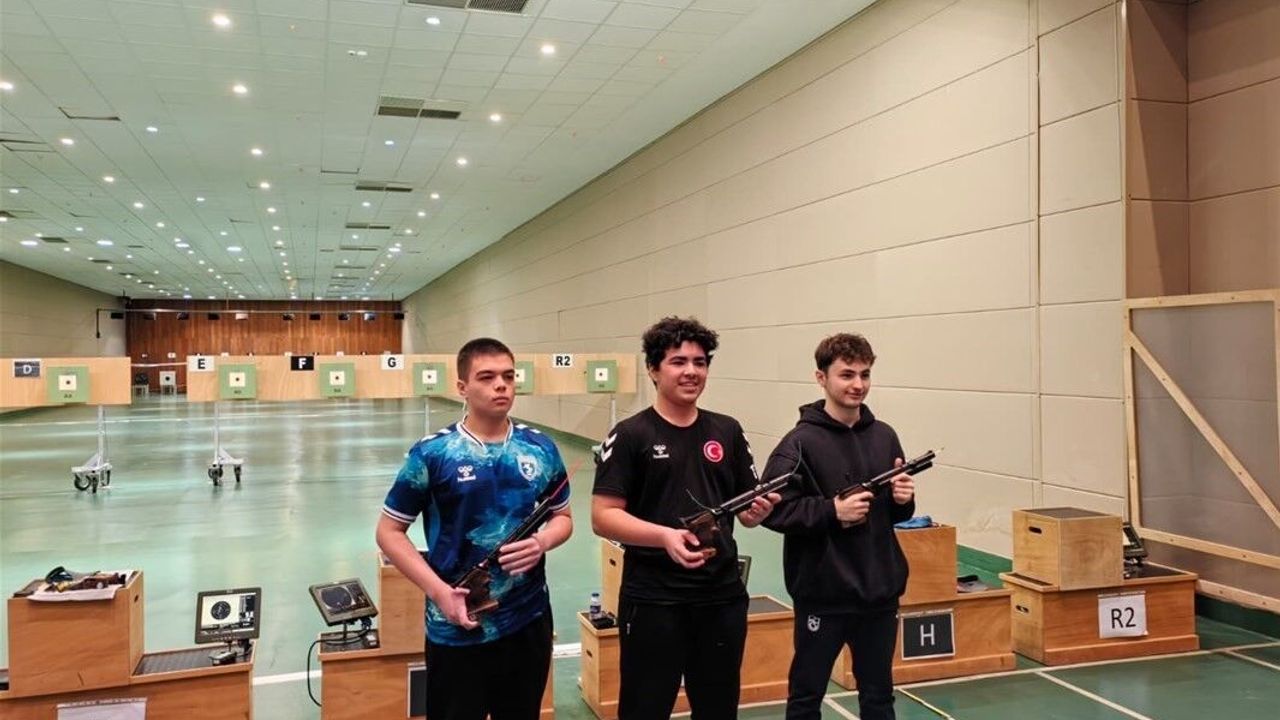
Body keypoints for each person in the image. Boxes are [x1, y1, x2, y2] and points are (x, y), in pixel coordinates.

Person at [592, 316, 780, 720]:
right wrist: (665, 537)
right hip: (654, 599)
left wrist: (756, 511)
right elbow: (603, 517)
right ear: (653, 369)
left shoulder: (728, 430)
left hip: (721, 596)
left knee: (718, 709)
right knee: (645, 708)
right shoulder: (629, 435)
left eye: (700, 362)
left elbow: (746, 511)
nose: (691, 371)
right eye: (678, 362)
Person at [376, 337, 572, 720]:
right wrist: (440, 593)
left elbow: (563, 517)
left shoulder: (540, 448)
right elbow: (389, 532)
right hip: (455, 624)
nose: (501, 385)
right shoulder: (432, 454)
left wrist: (542, 542)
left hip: (527, 619)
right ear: (462, 387)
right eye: (487, 377)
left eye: (508, 376)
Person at [760, 332, 916, 720]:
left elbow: (893, 515)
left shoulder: (885, 436)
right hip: (823, 594)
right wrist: (832, 511)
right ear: (821, 378)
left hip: (879, 594)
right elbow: (774, 511)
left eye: (865, 374)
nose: (857, 384)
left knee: (879, 697)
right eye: (847, 374)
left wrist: (903, 500)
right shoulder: (798, 444)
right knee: (806, 697)